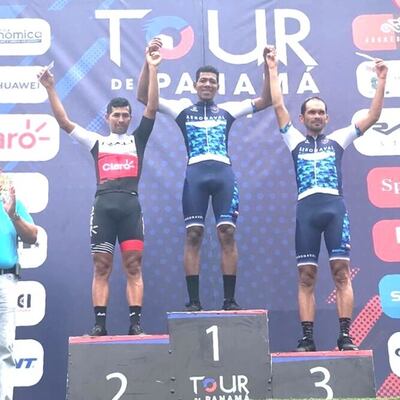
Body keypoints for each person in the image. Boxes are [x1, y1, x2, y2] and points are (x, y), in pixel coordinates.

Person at [266, 47, 387, 351]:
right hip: (306, 211)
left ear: (327, 117)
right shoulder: (294, 139)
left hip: (334, 210)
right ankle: (307, 338)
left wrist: (382, 80)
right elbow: (278, 104)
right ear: (302, 117)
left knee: (341, 273)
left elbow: (373, 116)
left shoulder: (338, 139)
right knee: (306, 276)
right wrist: (272, 68)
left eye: (321, 112)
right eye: (312, 112)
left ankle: (345, 336)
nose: (317, 116)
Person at [137, 40, 272, 311]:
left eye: (212, 81)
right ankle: (194, 301)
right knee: (194, 234)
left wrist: (269, 69)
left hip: (223, 174)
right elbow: (144, 98)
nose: (207, 84)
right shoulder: (182, 109)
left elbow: (266, 100)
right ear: (195, 85)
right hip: (195, 176)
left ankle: (229, 300)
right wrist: (149, 65)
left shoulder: (228, 110)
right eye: (203, 81)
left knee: (227, 233)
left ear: (218, 86)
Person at [38, 46, 161, 336]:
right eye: (116, 115)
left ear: (130, 118)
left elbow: (152, 108)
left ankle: (135, 325)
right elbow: (65, 123)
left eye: (125, 115)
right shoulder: (97, 142)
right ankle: (100, 325)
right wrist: (51, 88)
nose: (121, 119)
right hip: (104, 208)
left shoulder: (138, 139)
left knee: (133, 266)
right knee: (101, 266)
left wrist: (153, 67)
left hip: (130, 209)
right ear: (107, 118)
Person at [0, 173, 38, 400]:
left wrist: (13, 215)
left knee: (4, 348)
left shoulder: (11, 203)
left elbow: (33, 236)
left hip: (4, 281)